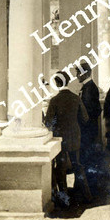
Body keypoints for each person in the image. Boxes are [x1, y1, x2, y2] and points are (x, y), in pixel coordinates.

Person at [45, 71, 92, 205]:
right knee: (77, 165)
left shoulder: (54, 100)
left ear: (57, 83)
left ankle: (65, 200)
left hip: (61, 139)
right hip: (75, 137)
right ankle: (87, 195)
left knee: (61, 168)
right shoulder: (76, 98)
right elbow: (85, 118)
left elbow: (48, 124)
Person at [76, 62, 102, 169]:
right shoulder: (89, 86)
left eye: (78, 72)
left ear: (85, 74)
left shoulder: (88, 89)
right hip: (91, 127)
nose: (76, 75)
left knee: (86, 157)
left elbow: (86, 111)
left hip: (87, 129)